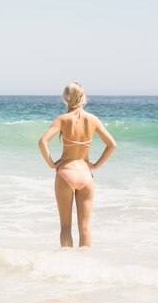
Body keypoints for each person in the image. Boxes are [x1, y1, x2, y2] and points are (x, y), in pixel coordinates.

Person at [39, 82, 116, 248]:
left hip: (66, 173)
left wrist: (52, 164)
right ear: (83, 97)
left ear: (66, 98)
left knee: (65, 228)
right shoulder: (93, 119)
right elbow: (112, 145)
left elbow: (42, 142)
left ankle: (67, 268)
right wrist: (95, 165)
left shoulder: (62, 119)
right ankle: (84, 268)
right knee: (85, 228)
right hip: (86, 175)